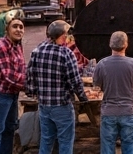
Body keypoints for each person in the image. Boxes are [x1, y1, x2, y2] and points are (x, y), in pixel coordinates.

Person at [26, 20, 87, 154]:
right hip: (62, 106)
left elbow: (30, 75)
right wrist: (83, 98)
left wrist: (32, 93)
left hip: (44, 105)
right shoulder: (66, 54)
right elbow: (75, 81)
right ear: (63, 35)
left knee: (46, 140)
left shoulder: (37, 50)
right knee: (65, 141)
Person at [93, 31, 133, 154]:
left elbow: (96, 87)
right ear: (126, 45)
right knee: (129, 148)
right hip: (128, 111)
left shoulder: (102, 64)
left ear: (110, 45)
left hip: (108, 112)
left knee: (107, 148)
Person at [0, 17, 26, 154]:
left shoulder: (18, 45)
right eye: (15, 26)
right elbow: (8, 76)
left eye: (21, 27)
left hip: (12, 93)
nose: (18, 30)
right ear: (7, 29)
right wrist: (28, 86)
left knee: (10, 128)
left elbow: (22, 69)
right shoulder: (2, 46)